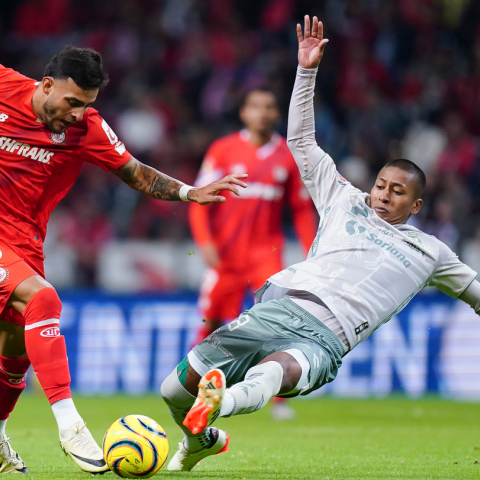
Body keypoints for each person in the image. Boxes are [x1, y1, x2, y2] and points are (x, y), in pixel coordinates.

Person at [160, 16, 480, 472]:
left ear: (416, 205)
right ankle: (202, 438)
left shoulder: (431, 253)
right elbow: (300, 139)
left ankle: (220, 403)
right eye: (382, 185)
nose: (384, 195)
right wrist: (306, 70)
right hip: (277, 306)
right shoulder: (344, 199)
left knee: (274, 371)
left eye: (397, 192)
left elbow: (476, 294)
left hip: (327, 335)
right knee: (172, 391)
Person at [0, 46, 247, 474]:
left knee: (16, 349)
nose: (77, 114)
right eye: (72, 102)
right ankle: (70, 426)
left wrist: (189, 192)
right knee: (43, 301)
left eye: (87, 105)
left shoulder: (88, 129)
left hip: (24, 243)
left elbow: (135, 172)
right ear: (45, 85)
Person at [189, 87, 317, 420]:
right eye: (255, 106)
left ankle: (278, 400)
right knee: (211, 322)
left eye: (269, 107)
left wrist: (312, 251)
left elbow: (302, 210)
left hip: (266, 256)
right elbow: (200, 201)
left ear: (277, 114)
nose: (262, 112)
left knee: (276, 326)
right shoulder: (223, 150)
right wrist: (204, 241)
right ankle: (193, 389)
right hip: (226, 256)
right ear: (244, 112)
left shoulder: (287, 157)